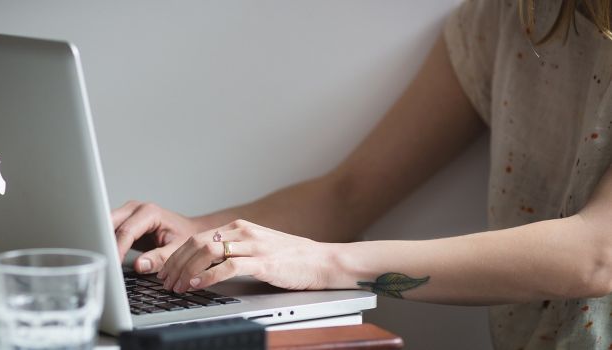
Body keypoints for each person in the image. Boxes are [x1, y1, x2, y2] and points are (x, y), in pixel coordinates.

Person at [111, 0, 612, 348]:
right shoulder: (500, 19)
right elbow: (349, 194)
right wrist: (199, 233)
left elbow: (598, 255)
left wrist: (327, 264)